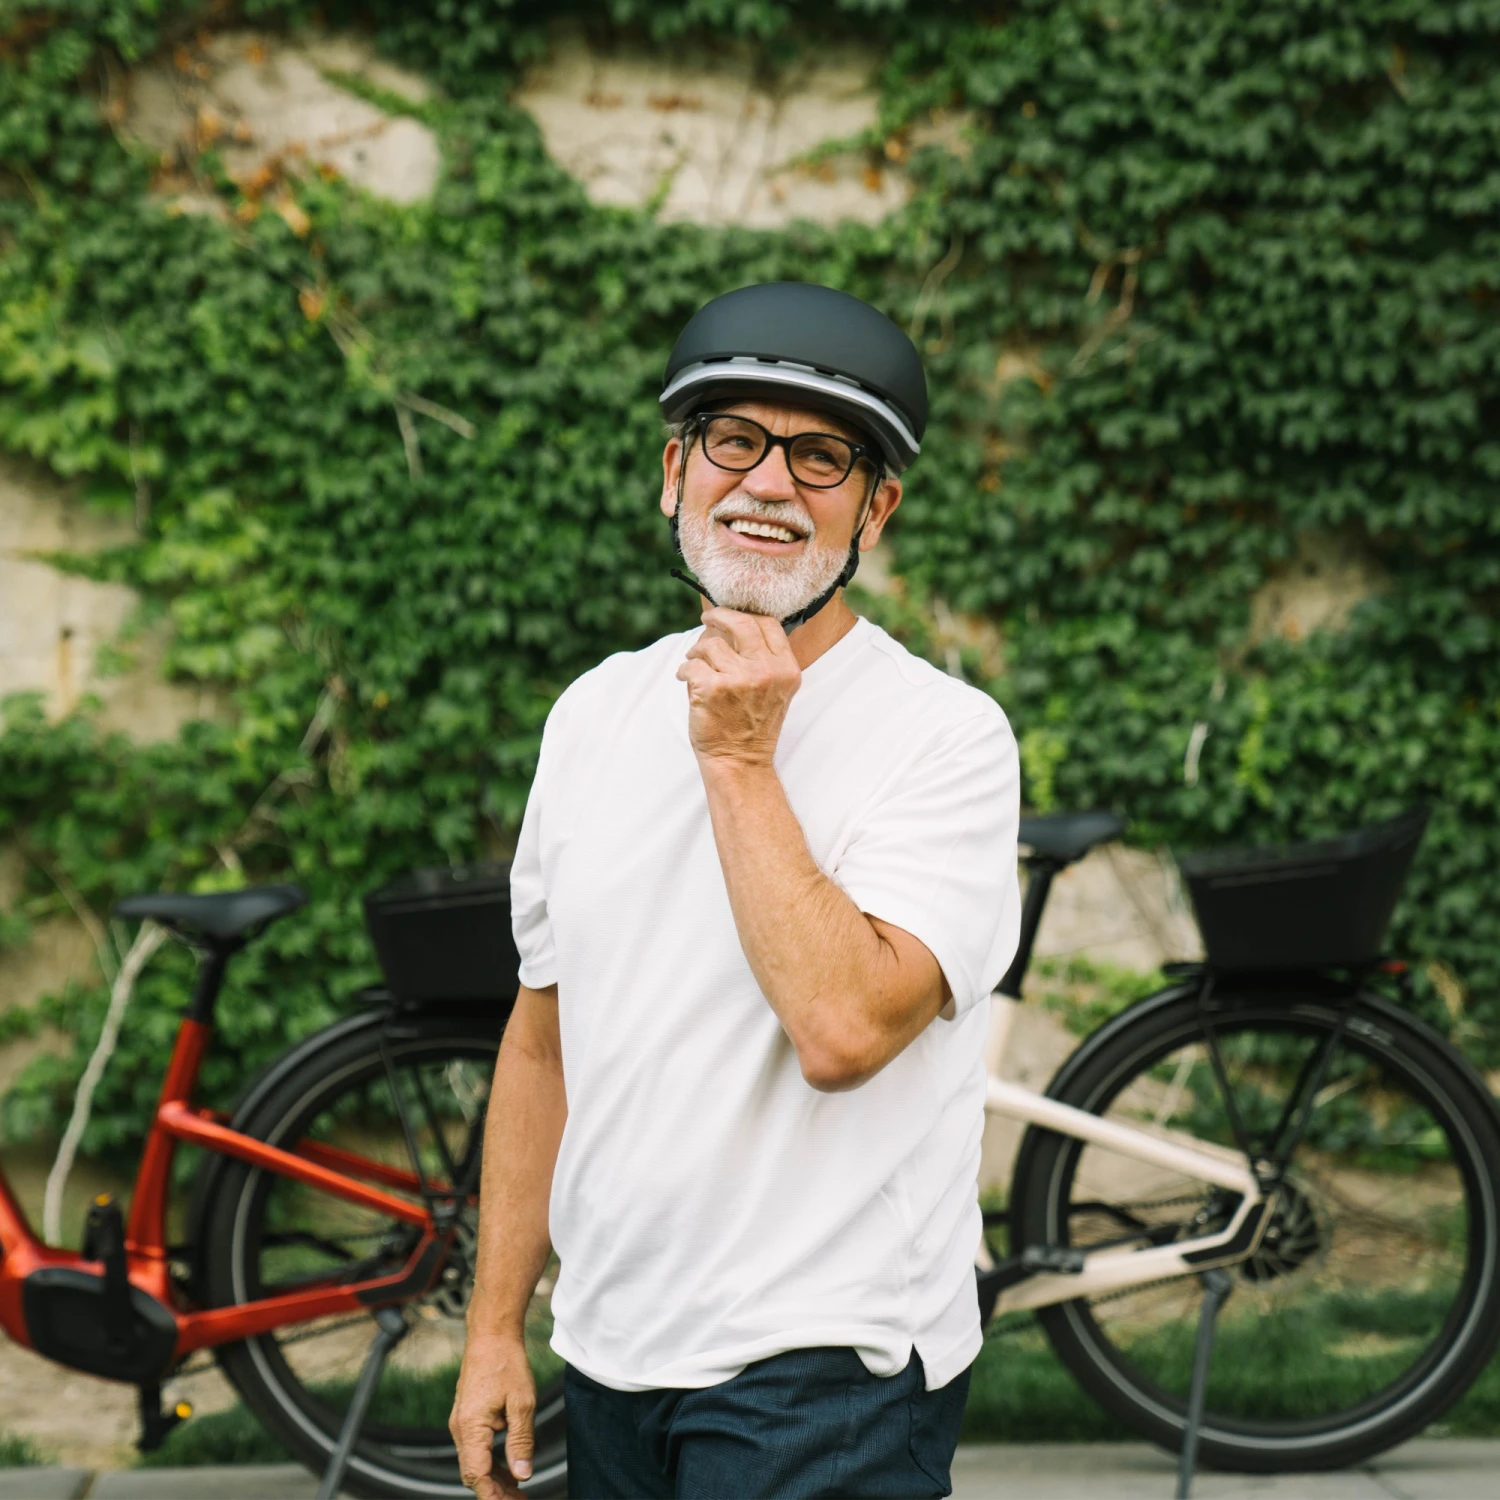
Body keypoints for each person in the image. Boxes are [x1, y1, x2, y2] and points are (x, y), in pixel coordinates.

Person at [450, 282, 1021, 1499]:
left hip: (828, 1370)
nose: (769, 483)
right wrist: (496, 1327)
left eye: (822, 457)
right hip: (611, 1348)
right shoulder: (593, 712)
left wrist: (740, 758)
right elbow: (543, 1040)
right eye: (734, 440)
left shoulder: (947, 737)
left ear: (877, 509)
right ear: (675, 474)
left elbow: (844, 1030)